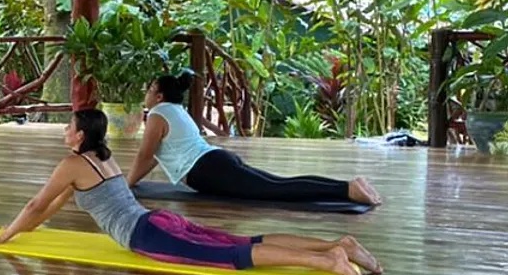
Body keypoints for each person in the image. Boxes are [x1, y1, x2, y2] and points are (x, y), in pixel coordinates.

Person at [0, 109, 381, 275]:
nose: (65, 130)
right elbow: (54, 204)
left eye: (69, 126)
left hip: (148, 236)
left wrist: (7, 236)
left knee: (233, 257)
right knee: (242, 242)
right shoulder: (101, 157)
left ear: (80, 136)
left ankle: (326, 261)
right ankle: (337, 244)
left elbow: (35, 205)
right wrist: (23, 230)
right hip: (159, 220)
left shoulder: (71, 163)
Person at [126, 71, 382, 205]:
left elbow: (144, 155)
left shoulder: (158, 114)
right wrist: (131, 182)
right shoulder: (176, 111)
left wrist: (126, 185)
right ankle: (349, 186)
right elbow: (153, 159)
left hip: (208, 170)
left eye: (150, 90)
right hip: (216, 160)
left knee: (275, 190)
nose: (146, 94)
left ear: (159, 96)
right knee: (278, 184)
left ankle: (347, 190)